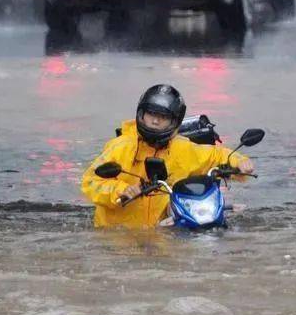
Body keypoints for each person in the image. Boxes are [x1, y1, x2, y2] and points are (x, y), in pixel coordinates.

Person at [80, 84, 255, 229]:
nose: (155, 121)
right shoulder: (121, 147)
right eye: (151, 114)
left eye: (162, 117)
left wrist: (239, 162)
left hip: (163, 231)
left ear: (174, 121)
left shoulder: (183, 148)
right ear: (141, 114)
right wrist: (122, 190)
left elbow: (216, 155)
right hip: (115, 235)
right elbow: (91, 181)